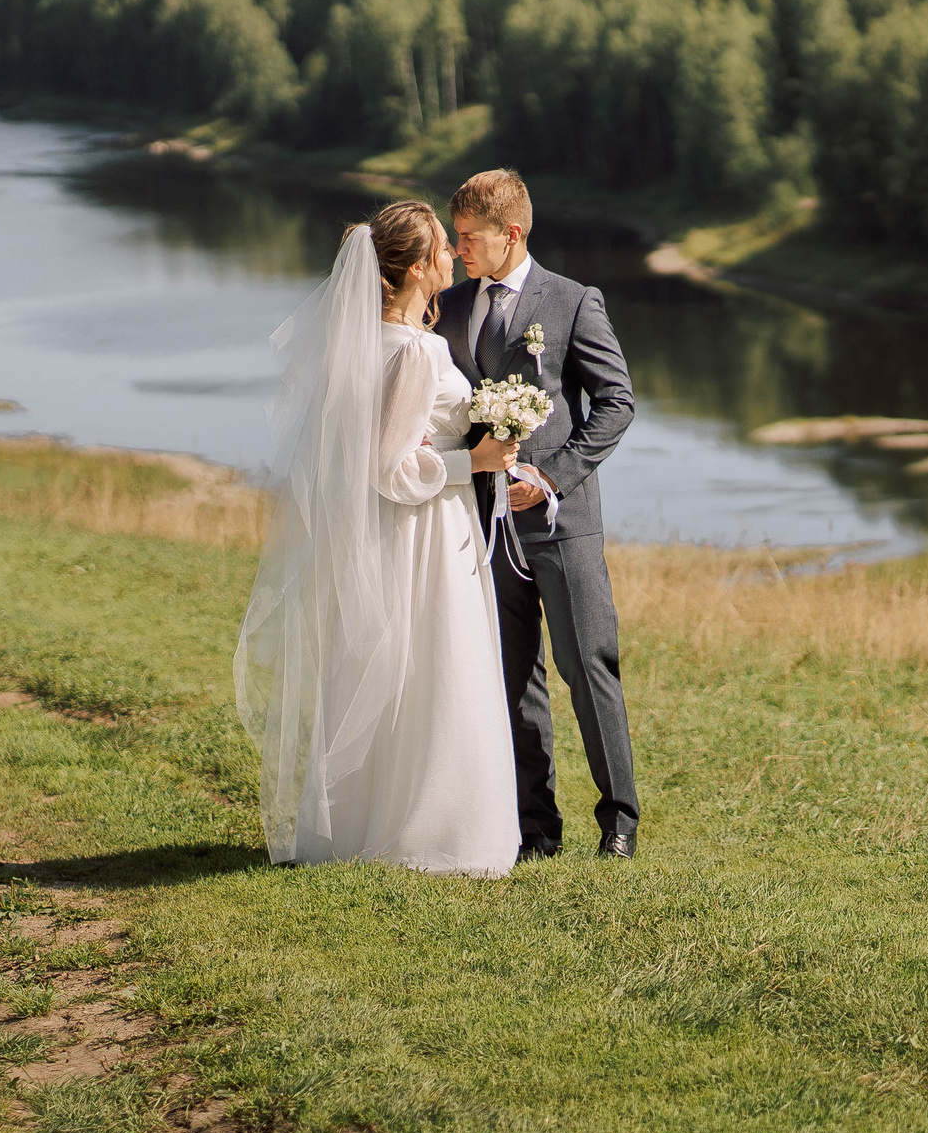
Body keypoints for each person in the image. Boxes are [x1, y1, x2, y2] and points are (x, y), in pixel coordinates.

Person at [233, 200, 521, 876]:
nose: (454, 255)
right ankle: (430, 833)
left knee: (399, 672)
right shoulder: (418, 351)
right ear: (419, 267)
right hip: (422, 529)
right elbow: (390, 468)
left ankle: (369, 824)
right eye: (445, 248)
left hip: (393, 534)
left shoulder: (368, 344)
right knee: (434, 667)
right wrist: (472, 463)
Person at [437, 169, 641, 861]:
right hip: (484, 525)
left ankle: (620, 823)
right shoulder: (450, 305)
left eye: (470, 237)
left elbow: (616, 402)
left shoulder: (574, 302)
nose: (458, 247)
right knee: (511, 675)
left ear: (511, 233)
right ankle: (536, 829)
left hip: (563, 524)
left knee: (588, 669)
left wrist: (552, 477)